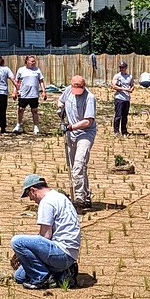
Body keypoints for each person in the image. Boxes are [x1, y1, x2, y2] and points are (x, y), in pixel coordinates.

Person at [12, 174, 80, 289]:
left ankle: (41, 278)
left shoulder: (46, 202)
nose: (30, 199)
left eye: (29, 195)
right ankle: (63, 272)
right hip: (71, 254)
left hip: (61, 253)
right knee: (19, 276)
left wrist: (24, 252)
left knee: (17, 241)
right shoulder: (60, 197)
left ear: (33, 190)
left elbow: (45, 236)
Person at [58, 75, 97, 209]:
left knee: (79, 165)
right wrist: (60, 109)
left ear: (84, 86)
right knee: (74, 165)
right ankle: (86, 197)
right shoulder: (68, 90)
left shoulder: (89, 98)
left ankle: (79, 198)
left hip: (86, 134)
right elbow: (61, 101)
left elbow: (88, 121)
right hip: (71, 135)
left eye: (79, 88)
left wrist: (70, 127)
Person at [13, 55, 47, 134]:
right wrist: (14, 92)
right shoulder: (21, 70)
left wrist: (44, 91)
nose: (33, 62)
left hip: (34, 94)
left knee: (34, 110)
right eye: (31, 61)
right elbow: (17, 82)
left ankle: (36, 126)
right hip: (23, 94)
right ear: (27, 61)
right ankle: (18, 125)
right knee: (21, 110)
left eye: (34, 61)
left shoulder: (37, 70)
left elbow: (41, 81)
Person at [111, 61, 134, 136]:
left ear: (125, 68)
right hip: (119, 98)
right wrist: (125, 89)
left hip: (126, 99)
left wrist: (131, 89)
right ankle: (116, 131)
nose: (121, 69)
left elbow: (132, 85)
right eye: (120, 67)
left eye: (122, 67)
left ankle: (124, 131)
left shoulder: (129, 76)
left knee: (125, 116)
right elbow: (113, 86)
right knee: (118, 115)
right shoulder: (117, 76)